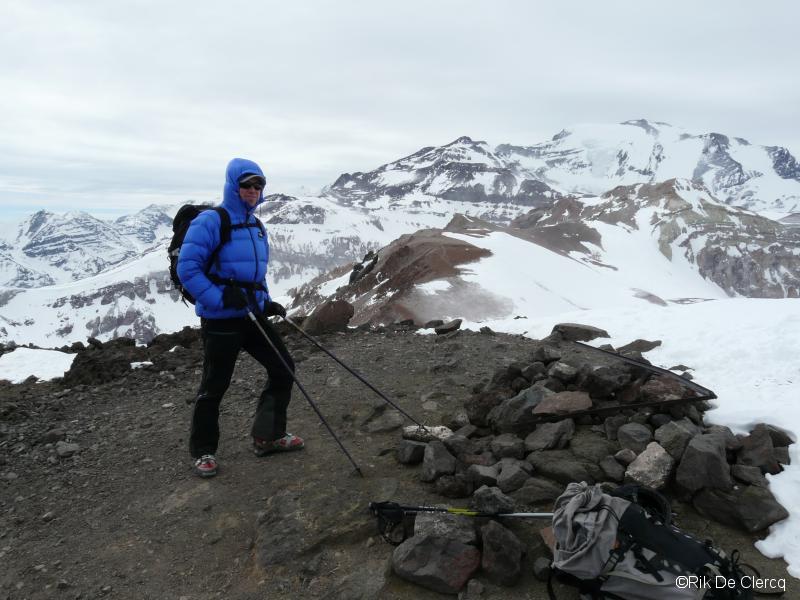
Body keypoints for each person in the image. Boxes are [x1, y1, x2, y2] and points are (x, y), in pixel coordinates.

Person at [177, 157, 304, 478]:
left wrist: (267, 302)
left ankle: (268, 436)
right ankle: (204, 451)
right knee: (215, 384)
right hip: (220, 320)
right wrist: (220, 299)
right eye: (246, 184)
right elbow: (187, 270)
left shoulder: (256, 226)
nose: (252, 190)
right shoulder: (211, 221)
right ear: (233, 187)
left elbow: (254, 276)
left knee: (283, 366)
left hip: (251, 314)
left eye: (258, 185)